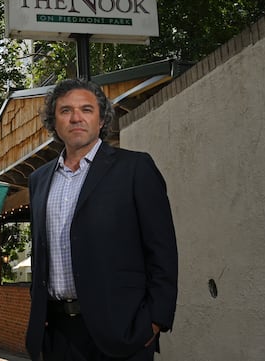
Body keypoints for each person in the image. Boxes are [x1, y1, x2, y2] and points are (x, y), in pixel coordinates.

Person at [25, 79, 178, 361]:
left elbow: (162, 251)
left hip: (123, 332)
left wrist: (155, 321)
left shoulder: (135, 168)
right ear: (54, 121)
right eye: (65, 110)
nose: (76, 118)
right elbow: (40, 253)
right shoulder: (39, 180)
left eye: (86, 109)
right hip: (59, 337)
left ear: (101, 118)